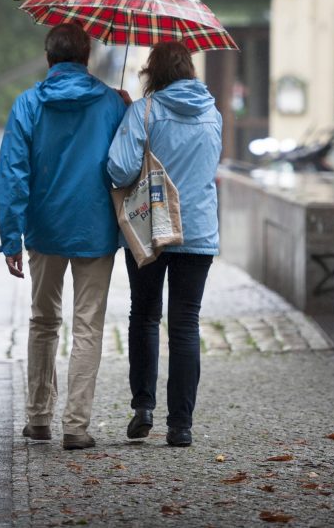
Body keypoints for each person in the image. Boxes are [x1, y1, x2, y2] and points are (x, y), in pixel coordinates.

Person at [0, 23, 129, 451]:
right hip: (95, 228)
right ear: (86, 56)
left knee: (43, 321)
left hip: (44, 228)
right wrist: (124, 109)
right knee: (88, 326)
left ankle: (37, 418)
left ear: (49, 57)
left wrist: (10, 237)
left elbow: (13, 173)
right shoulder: (110, 103)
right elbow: (125, 164)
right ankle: (76, 425)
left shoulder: (28, 104)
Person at [106, 41, 222, 448]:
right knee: (186, 323)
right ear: (189, 70)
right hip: (198, 231)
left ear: (152, 72)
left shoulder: (144, 111)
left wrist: (127, 119)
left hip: (150, 227)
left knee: (144, 315)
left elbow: (119, 170)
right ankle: (181, 426)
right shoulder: (213, 114)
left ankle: (143, 407)